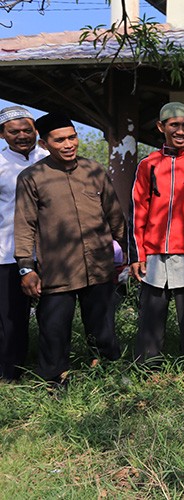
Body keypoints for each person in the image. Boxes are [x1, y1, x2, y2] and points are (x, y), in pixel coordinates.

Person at [14, 112, 126, 387]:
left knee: (103, 329)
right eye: (60, 140)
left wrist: (125, 253)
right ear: (44, 143)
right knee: (54, 330)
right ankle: (54, 381)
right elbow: (25, 223)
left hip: (98, 266)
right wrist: (26, 267)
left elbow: (114, 215)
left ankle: (109, 375)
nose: (68, 144)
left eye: (72, 137)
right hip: (57, 270)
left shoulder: (94, 170)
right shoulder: (32, 177)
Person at [129, 102, 184, 364]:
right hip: (154, 252)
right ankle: (146, 367)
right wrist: (137, 254)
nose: (180, 131)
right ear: (161, 126)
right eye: (174, 125)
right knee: (150, 316)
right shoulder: (149, 164)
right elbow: (138, 209)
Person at [0, 106, 48, 381]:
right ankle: (10, 374)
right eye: (14, 131)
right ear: (2, 134)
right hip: (7, 253)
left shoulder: (49, 158)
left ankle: (50, 369)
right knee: (11, 319)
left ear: (36, 131)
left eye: (27, 130)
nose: (22, 136)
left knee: (51, 316)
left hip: (50, 252)